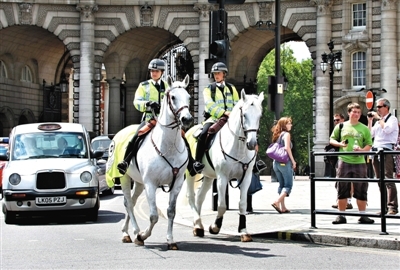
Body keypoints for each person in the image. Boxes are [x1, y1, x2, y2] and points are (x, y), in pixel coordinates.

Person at [117, 58, 204, 175]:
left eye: (157, 71)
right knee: (137, 136)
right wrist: (147, 104)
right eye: (152, 71)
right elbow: (136, 102)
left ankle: (191, 164)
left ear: (162, 72)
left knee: (183, 137)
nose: (154, 73)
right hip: (150, 119)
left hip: (167, 121)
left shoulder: (168, 86)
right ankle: (126, 162)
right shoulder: (144, 85)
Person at [193, 62, 266, 176]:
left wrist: (234, 114)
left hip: (232, 118)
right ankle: (197, 162)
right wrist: (223, 112)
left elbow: (238, 104)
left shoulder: (231, 88)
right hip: (214, 118)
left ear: (224, 74)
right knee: (203, 133)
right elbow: (209, 105)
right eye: (215, 73)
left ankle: (256, 162)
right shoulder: (208, 89)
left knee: (250, 132)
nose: (216, 75)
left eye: (219, 73)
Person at [329, 102, 374, 224]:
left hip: (360, 161)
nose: (356, 114)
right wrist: (340, 144)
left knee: (361, 188)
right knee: (342, 187)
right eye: (354, 112)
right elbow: (331, 139)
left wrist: (362, 150)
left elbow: (369, 144)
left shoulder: (364, 128)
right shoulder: (341, 126)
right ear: (349, 113)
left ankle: (363, 215)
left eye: (359, 112)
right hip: (343, 160)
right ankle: (341, 215)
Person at [367, 98, 398, 215]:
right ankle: (384, 206)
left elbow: (388, 130)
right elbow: (370, 134)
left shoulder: (392, 119)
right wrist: (370, 121)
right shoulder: (378, 121)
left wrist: (379, 119)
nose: (377, 109)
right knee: (380, 180)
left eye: (379, 107)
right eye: (377, 107)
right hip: (376, 150)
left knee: (388, 178)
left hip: (386, 150)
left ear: (386, 107)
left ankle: (392, 206)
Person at [270, 117, 296, 214]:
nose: (291, 125)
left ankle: (283, 207)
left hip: (276, 163)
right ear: (284, 125)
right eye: (289, 123)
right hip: (285, 163)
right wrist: (293, 161)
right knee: (288, 185)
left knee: (281, 185)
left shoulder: (277, 135)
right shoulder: (286, 134)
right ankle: (276, 201)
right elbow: (287, 148)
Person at [330, 113, 353, 210]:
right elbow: (331, 140)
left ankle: (348, 201)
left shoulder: (347, 128)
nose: (336, 122)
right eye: (334, 120)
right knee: (339, 180)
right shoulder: (337, 129)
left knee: (350, 180)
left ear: (343, 119)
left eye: (338, 120)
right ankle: (340, 200)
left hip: (350, 157)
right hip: (339, 157)